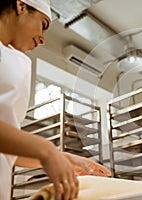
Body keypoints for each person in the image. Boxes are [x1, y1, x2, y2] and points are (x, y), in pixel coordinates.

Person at [0, 1, 111, 200]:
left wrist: (63, 157)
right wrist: (46, 150)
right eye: (43, 24)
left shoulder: (12, 59)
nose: (43, 39)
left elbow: (8, 150)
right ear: (21, 6)